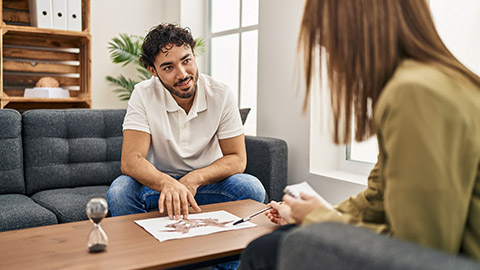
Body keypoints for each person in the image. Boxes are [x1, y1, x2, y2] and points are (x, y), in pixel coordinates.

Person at [240, 0, 480, 269]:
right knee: (287, 235)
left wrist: (317, 218)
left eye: (325, 39)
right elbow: (377, 198)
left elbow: (418, 249)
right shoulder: (430, 80)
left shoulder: (414, 93)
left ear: (350, 32)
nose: (327, 54)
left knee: (266, 250)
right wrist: (313, 213)